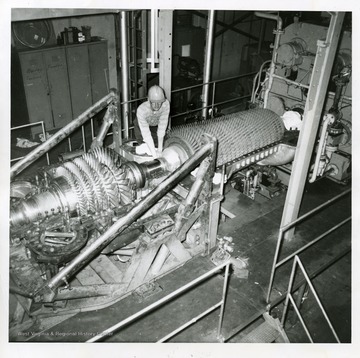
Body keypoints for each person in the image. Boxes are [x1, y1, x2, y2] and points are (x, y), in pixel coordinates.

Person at [134, 85, 170, 158]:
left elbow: (162, 128)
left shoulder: (165, 104)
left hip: (156, 123)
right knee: (145, 145)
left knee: (161, 144)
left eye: (159, 102)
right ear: (149, 100)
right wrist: (154, 155)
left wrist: (159, 150)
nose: (157, 105)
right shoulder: (141, 110)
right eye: (154, 102)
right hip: (143, 125)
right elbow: (146, 134)